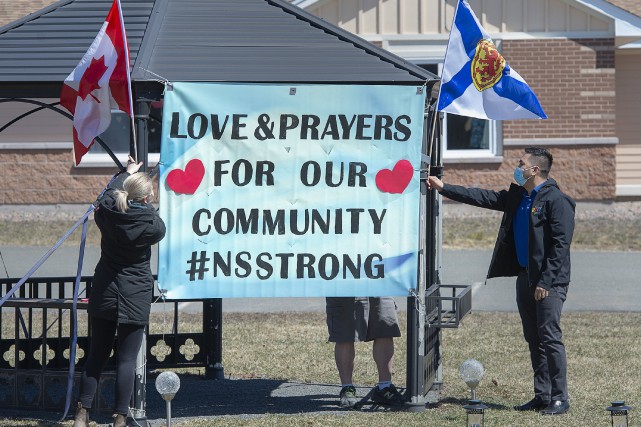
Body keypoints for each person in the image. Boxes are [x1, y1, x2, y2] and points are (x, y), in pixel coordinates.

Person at [427, 147, 575, 416]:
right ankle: (541, 395)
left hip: (548, 283)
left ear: (535, 170)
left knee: (550, 337)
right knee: (534, 338)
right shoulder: (520, 197)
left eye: (521, 164)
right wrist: (444, 187)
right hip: (525, 278)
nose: (517, 168)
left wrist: (546, 282)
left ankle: (559, 397)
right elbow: (483, 197)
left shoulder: (557, 200)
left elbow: (560, 246)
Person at [74, 157, 166, 427]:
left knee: (96, 355)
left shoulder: (105, 213)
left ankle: (82, 413)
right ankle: (120, 417)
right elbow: (158, 224)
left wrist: (124, 174)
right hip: (135, 291)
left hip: (105, 287)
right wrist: (145, 202)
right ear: (147, 198)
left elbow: (107, 196)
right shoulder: (151, 224)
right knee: (126, 360)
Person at [326, 297, 405, 408]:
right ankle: (347, 388)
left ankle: (385, 387)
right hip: (345, 284)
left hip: (381, 283)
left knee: (385, 328)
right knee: (344, 333)